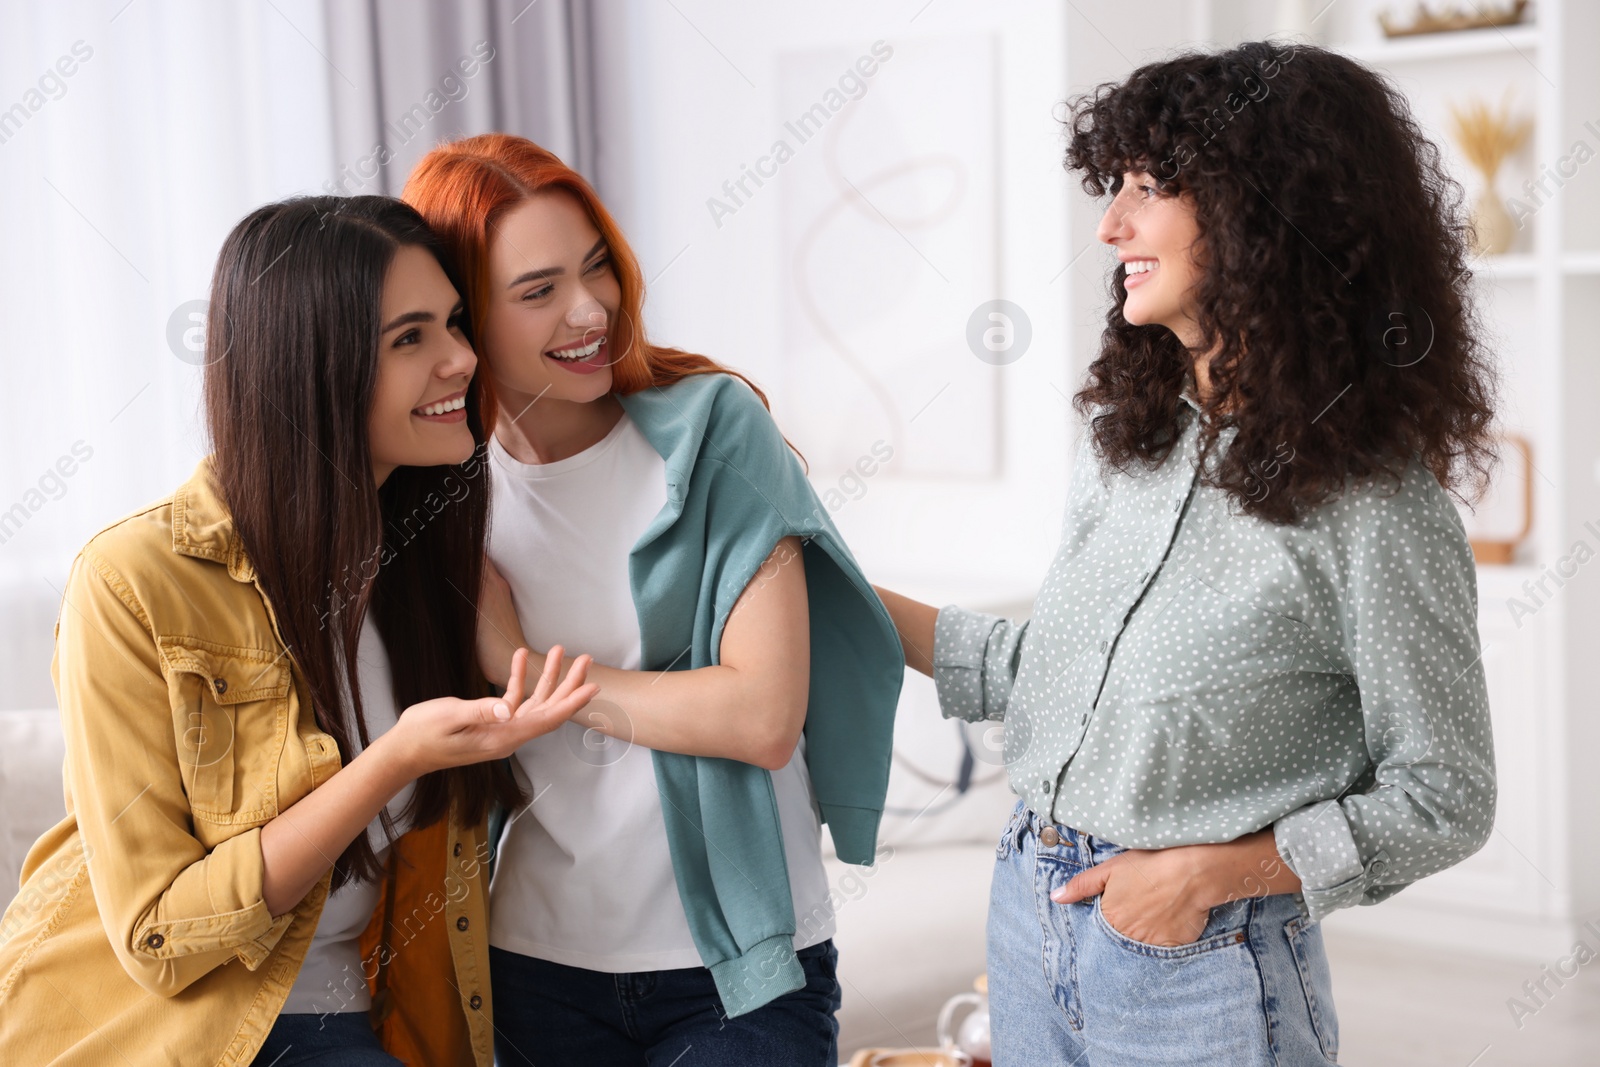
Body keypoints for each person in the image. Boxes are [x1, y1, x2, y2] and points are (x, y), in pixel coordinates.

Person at [874, 41, 1498, 1066]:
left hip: (1199, 956)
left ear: (1266, 211)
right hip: (1030, 912)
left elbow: (1445, 794)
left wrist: (1208, 874)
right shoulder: (1130, 443)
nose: (1110, 224)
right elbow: (1059, 681)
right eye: (1111, 186)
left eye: (1149, 188)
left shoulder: (1374, 500)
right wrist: (836, 588)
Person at [0, 195, 598, 1067]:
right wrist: (394, 759)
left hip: (349, 1015)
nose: (462, 359)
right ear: (307, 367)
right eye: (410, 338)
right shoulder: (133, 582)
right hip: (167, 1037)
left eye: (456, 324)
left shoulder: (437, 565)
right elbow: (159, 934)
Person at [403, 134, 905, 1067]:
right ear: (462, 320)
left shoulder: (712, 431)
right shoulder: (444, 490)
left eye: (596, 267)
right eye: (538, 289)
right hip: (533, 960)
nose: (590, 307)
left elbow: (761, 714)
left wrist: (527, 667)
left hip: (740, 973)